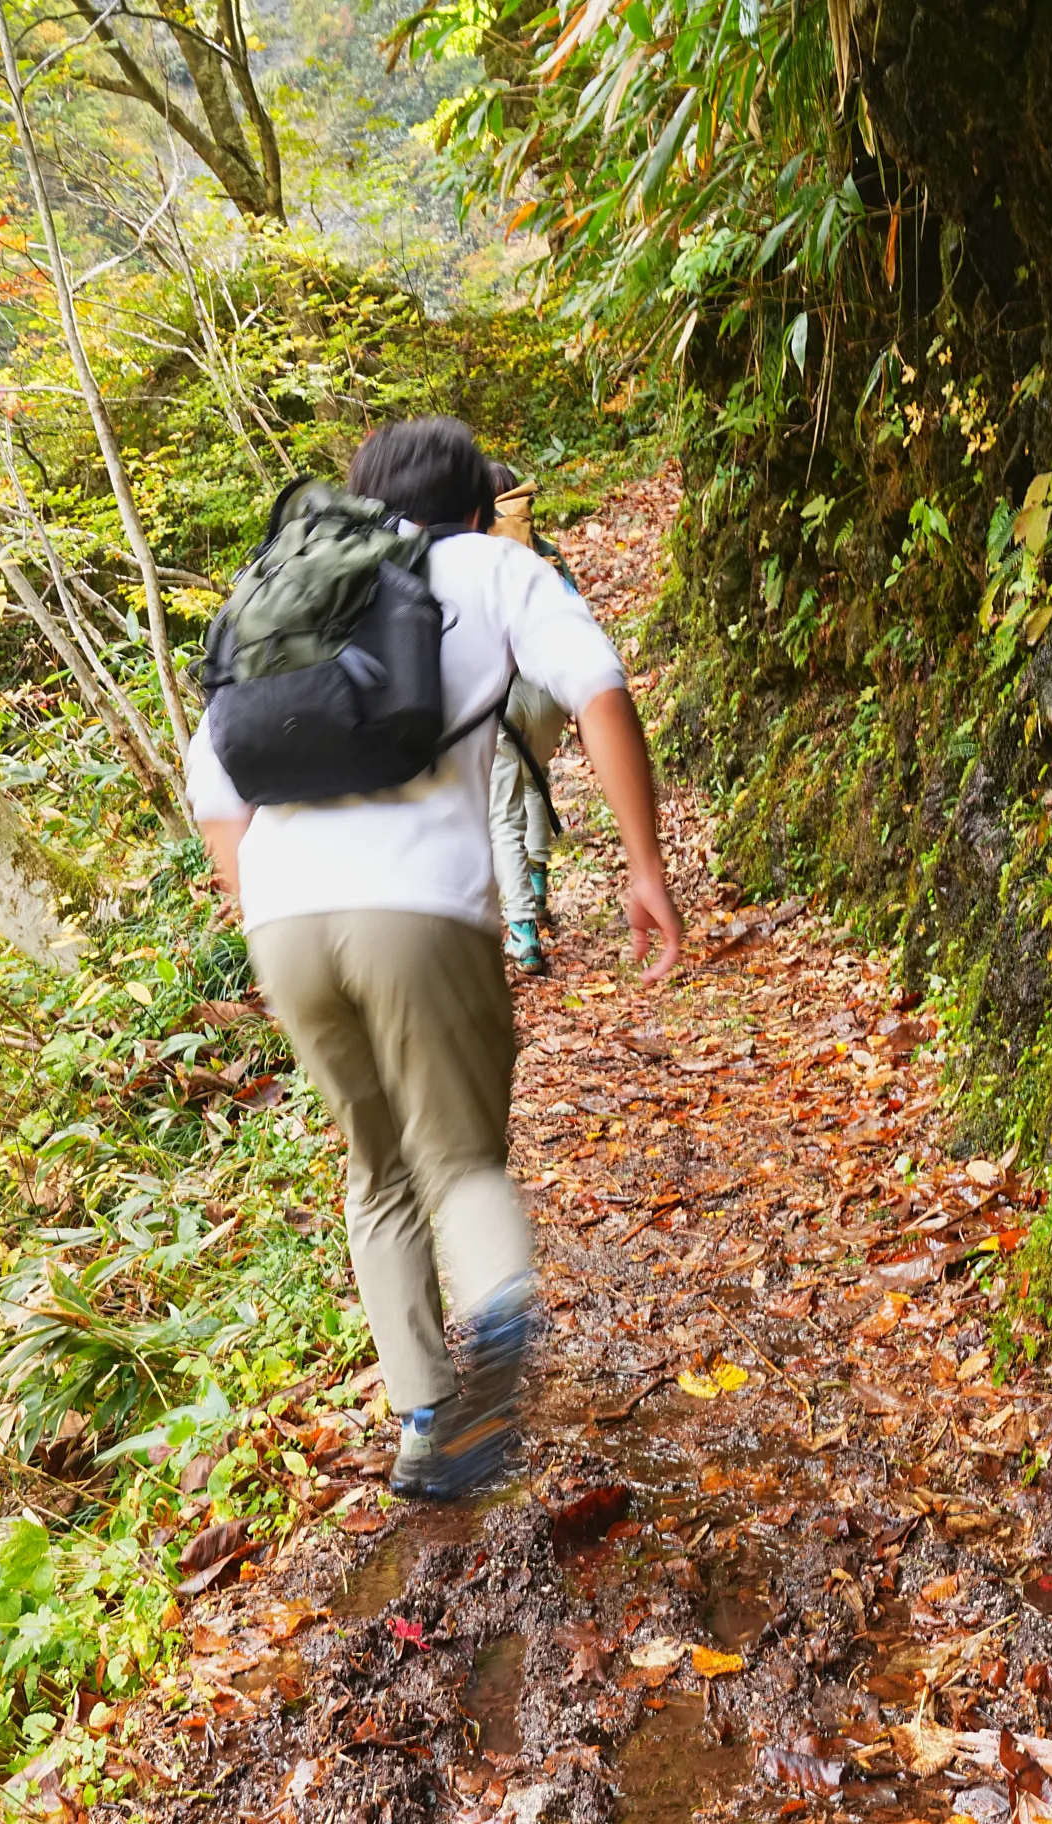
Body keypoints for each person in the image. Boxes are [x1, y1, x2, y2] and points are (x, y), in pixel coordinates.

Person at [187, 415, 682, 1502]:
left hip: (282, 920)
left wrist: (272, 911)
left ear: (362, 500)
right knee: (456, 1157)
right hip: (416, 907)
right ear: (476, 507)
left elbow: (216, 790)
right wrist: (644, 866)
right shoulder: (491, 567)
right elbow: (597, 688)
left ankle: (424, 1420)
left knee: (375, 1169)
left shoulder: (288, 581)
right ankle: (497, 1313)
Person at [486, 460, 569, 974]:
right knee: (537, 781)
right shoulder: (546, 553)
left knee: (502, 815)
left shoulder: (470, 556)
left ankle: (523, 933)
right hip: (550, 694)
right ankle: (538, 890)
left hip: (499, 699)